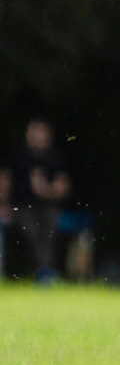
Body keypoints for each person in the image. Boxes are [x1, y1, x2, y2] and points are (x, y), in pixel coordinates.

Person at [0, 119, 71, 283]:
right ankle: (43, 270)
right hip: (21, 207)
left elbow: (63, 186)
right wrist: (4, 205)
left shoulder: (54, 157)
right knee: (31, 230)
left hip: (48, 207)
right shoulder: (18, 156)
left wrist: (45, 190)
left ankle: (44, 271)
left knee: (50, 229)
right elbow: (5, 181)